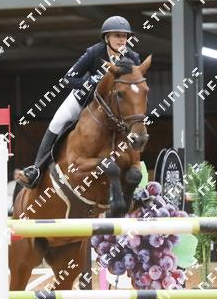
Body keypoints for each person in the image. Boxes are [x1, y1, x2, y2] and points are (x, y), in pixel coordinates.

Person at [16, 16, 141, 188]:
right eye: (117, 35)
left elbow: (137, 86)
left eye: (124, 36)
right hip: (83, 100)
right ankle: (36, 169)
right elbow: (68, 79)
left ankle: (135, 166)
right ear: (107, 38)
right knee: (57, 122)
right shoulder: (94, 53)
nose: (122, 40)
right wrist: (89, 82)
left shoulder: (133, 58)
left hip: (114, 107)